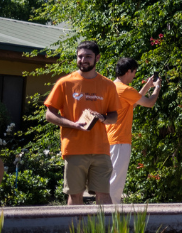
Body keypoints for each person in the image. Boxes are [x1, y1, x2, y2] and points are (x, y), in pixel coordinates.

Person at [43, 40, 122, 205]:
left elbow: (114, 116)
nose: (83, 60)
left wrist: (103, 118)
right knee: (75, 196)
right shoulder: (65, 83)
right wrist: (73, 124)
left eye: (88, 56)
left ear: (97, 58)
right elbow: (49, 115)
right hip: (74, 149)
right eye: (80, 56)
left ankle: (104, 229)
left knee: (104, 195)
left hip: (101, 149)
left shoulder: (107, 85)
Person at [105, 57, 161, 204]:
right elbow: (149, 103)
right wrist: (157, 88)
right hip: (120, 141)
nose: (134, 76)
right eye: (134, 72)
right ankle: (111, 218)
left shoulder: (110, 87)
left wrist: (147, 86)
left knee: (108, 179)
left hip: (107, 139)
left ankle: (105, 214)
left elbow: (131, 104)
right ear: (128, 71)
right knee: (115, 182)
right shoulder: (126, 89)